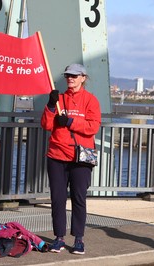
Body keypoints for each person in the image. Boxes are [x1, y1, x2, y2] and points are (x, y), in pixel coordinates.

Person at [41, 63, 101, 255]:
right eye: (68, 75)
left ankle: (79, 239)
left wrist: (70, 122)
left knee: (79, 198)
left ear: (83, 78)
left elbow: (93, 127)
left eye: (75, 76)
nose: (70, 78)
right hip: (57, 156)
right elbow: (45, 124)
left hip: (80, 157)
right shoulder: (58, 99)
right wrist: (50, 106)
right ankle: (59, 238)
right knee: (57, 199)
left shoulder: (91, 100)